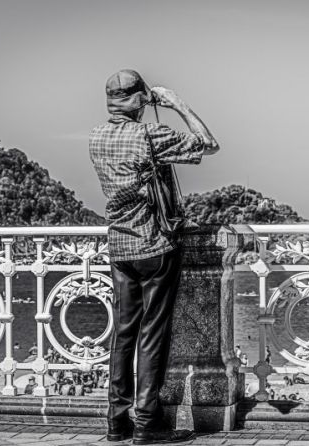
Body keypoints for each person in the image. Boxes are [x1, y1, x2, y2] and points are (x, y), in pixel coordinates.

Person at [90, 69, 219, 445]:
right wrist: (177, 104)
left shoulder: (97, 137)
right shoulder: (148, 135)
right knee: (151, 335)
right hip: (153, 245)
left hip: (119, 247)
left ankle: (117, 422)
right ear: (139, 99)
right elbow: (208, 144)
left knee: (123, 333)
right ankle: (146, 422)